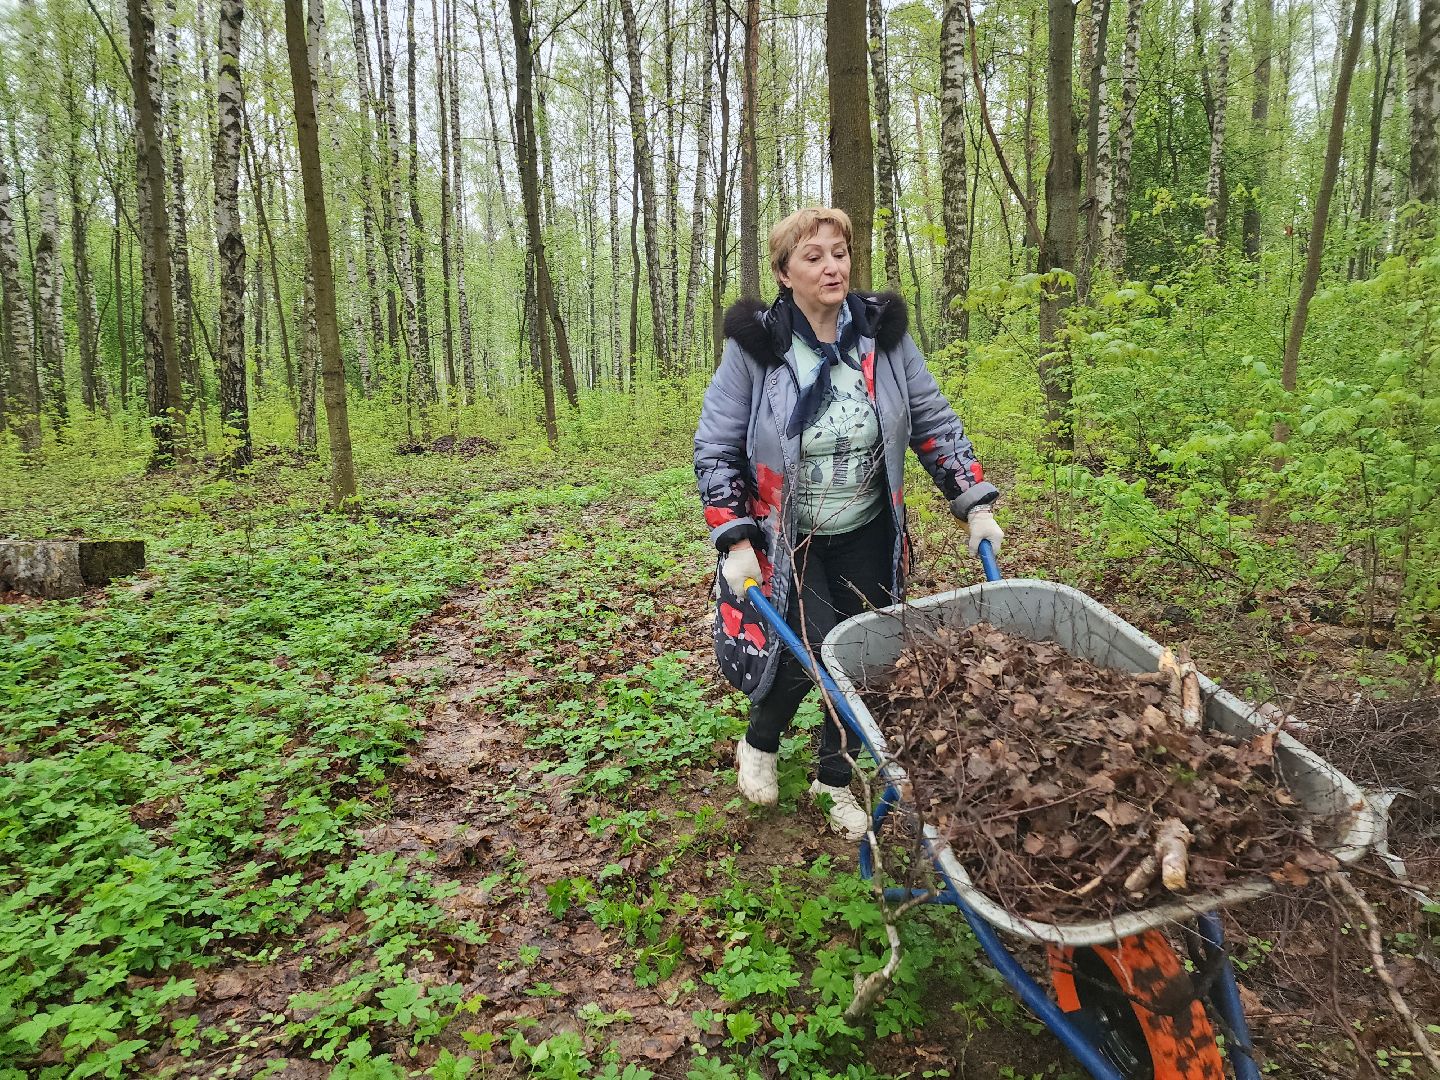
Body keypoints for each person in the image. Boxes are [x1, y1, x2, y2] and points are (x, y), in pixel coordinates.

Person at [694, 207, 1004, 841]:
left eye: (839, 252)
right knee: (809, 649)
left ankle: (834, 776)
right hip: (788, 536)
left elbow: (931, 421)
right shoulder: (756, 350)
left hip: (868, 528)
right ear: (784, 274)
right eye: (813, 256)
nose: (831, 266)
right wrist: (735, 537)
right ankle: (761, 738)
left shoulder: (881, 337)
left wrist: (973, 500)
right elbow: (717, 446)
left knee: (864, 657)